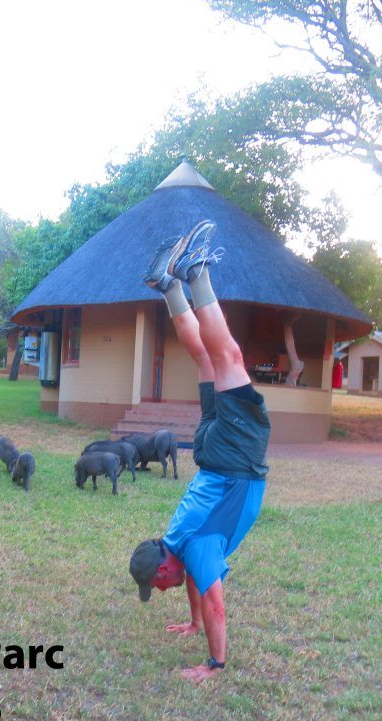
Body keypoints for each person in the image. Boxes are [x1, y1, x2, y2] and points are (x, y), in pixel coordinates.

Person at [129, 219, 270, 682]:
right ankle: (168, 287)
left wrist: (214, 665)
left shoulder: (196, 549)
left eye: (157, 585)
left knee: (228, 358)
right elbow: (192, 578)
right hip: (209, 453)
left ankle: (195, 273)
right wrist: (192, 623)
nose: (161, 590)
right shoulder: (178, 540)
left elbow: (215, 603)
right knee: (207, 359)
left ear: (163, 569)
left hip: (233, 459)